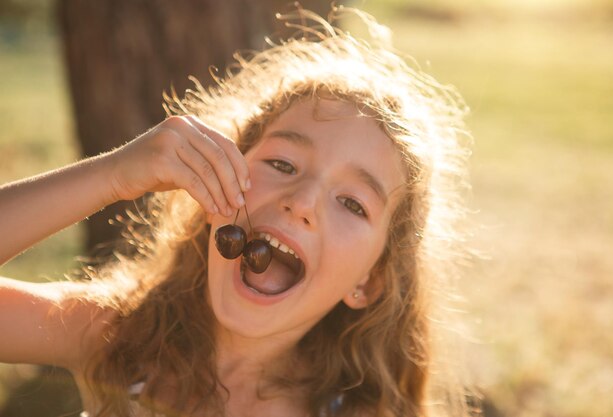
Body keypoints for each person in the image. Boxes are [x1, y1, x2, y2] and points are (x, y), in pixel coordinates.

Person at [0, 5, 474, 417]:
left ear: (369, 282)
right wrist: (112, 176)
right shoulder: (118, 334)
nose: (301, 202)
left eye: (352, 202)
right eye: (282, 163)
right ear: (212, 186)